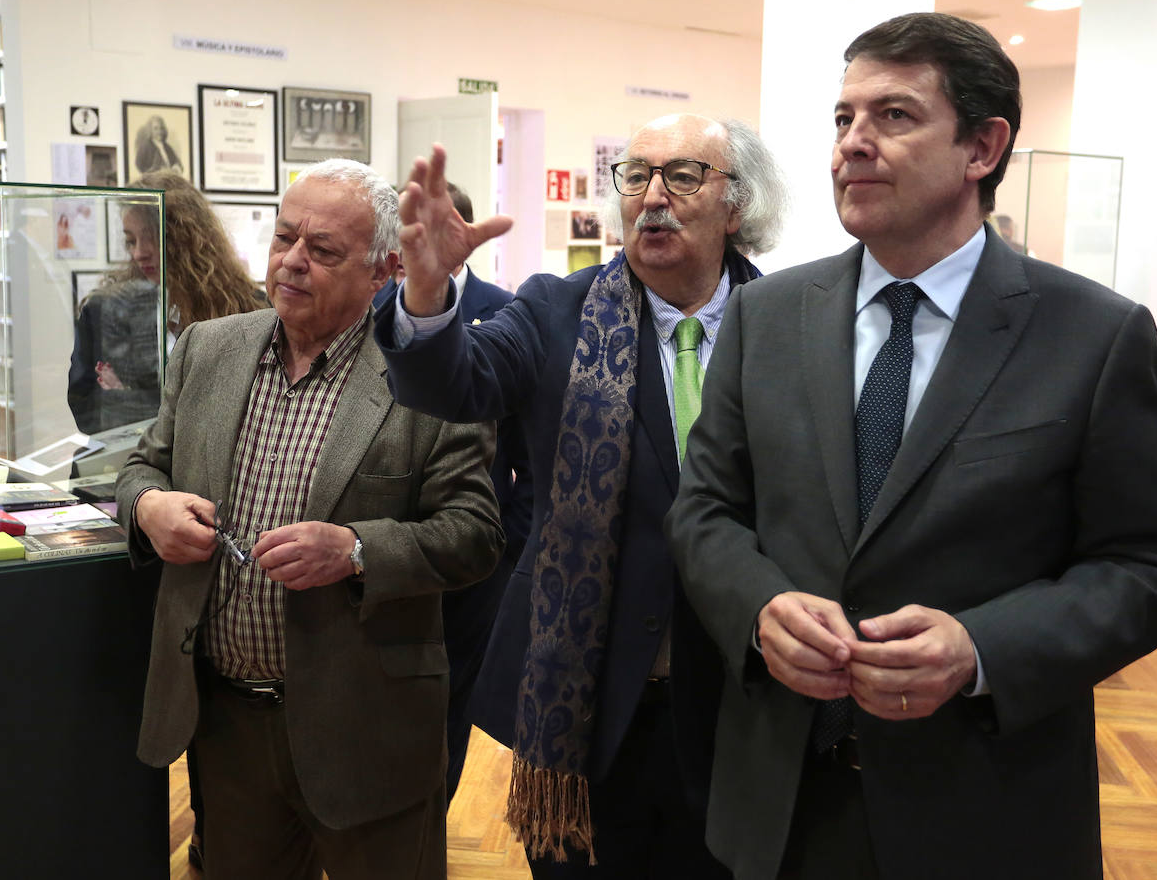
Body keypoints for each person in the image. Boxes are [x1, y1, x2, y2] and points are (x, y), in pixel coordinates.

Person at [665, 12, 1157, 880]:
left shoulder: (1094, 336)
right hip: (783, 808)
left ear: (983, 147)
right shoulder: (767, 315)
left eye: (894, 116)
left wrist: (982, 648)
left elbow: (1148, 569)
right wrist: (761, 608)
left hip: (984, 810)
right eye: (843, 119)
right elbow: (704, 512)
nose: (853, 145)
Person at [375, 113, 786, 876]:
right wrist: (429, 295)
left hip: (744, 699)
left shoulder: (792, 324)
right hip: (586, 704)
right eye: (636, 176)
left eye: (683, 176)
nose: (653, 196)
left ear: (738, 207)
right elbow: (454, 381)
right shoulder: (555, 311)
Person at [116, 159, 503, 880]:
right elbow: (144, 466)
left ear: (383, 271)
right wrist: (148, 507)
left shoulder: (432, 377)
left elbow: (476, 534)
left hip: (368, 729)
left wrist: (356, 549)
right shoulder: (210, 350)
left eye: (322, 251)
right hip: (227, 727)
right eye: (285, 237)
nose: (292, 261)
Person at [380, 181, 533, 803]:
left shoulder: (506, 309)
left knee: (454, 693)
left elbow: (526, 448)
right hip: (388, 545)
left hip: (476, 556)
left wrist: (512, 544)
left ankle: (430, 822)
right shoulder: (382, 308)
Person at [67, 170, 265, 434]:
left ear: (184, 237)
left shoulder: (246, 307)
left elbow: (249, 407)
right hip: (128, 463)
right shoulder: (106, 309)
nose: (139, 252)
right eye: (131, 240)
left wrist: (132, 400)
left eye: (152, 237)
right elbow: (86, 407)